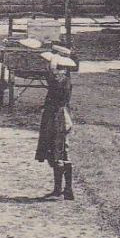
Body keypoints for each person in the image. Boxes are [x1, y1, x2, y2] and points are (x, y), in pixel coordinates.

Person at [36, 63, 75, 199]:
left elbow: (57, 98)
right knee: (58, 151)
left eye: (58, 69)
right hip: (56, 117)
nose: (56, 72)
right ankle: (61, 189)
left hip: (58, 119)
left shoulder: (62, 83)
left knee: (60, 151)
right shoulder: (62, 81)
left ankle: (66, 189)